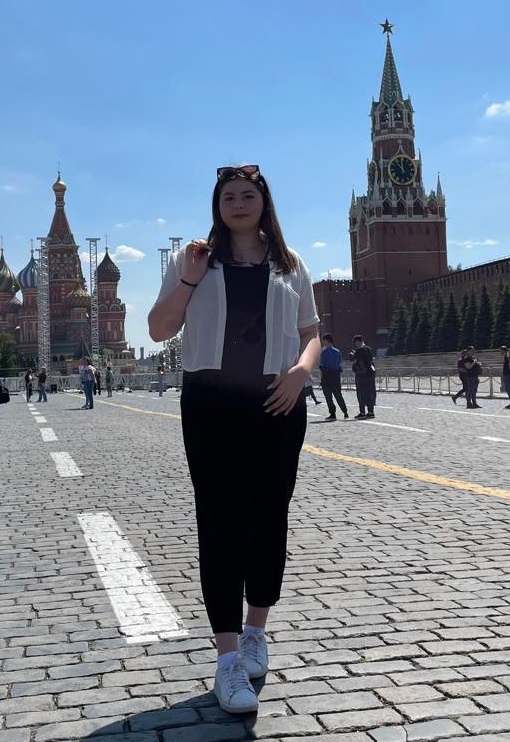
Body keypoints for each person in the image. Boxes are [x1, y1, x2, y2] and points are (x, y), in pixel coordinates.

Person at [148, 164, 320, 715]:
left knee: (271, 519)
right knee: (220, 523)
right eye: (229, 196)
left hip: (278, 402)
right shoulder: (193, 258)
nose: (239, 203)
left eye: (248, 194)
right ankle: (227, 659)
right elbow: (158, 329)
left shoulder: (291, 264)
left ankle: (255, 632)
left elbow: (311, 332)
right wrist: (190, 279)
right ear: (217, 205)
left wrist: (301, 372)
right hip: (212, 404)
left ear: (264, 202)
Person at [319, 333, 348, 421]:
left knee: (328, 397)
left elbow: (321, 365)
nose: (323, 342)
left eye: (323, 340)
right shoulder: (338, 351)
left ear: (326, 340)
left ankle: (332, 413)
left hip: (327, 376)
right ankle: (345, 411)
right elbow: (340, 365)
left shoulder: (324, 352)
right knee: (338, 395)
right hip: (336, 376)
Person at [350, 335, 376, 419]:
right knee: (369, 393)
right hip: (370, 374)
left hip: (361, 375)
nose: (355, 344)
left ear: (358, 342)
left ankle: (362, 412)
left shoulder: (359, 350)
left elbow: (354, 360)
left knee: (361, 394)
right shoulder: (369, 349)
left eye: (356, 342)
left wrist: (353, 355)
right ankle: (371, 412)